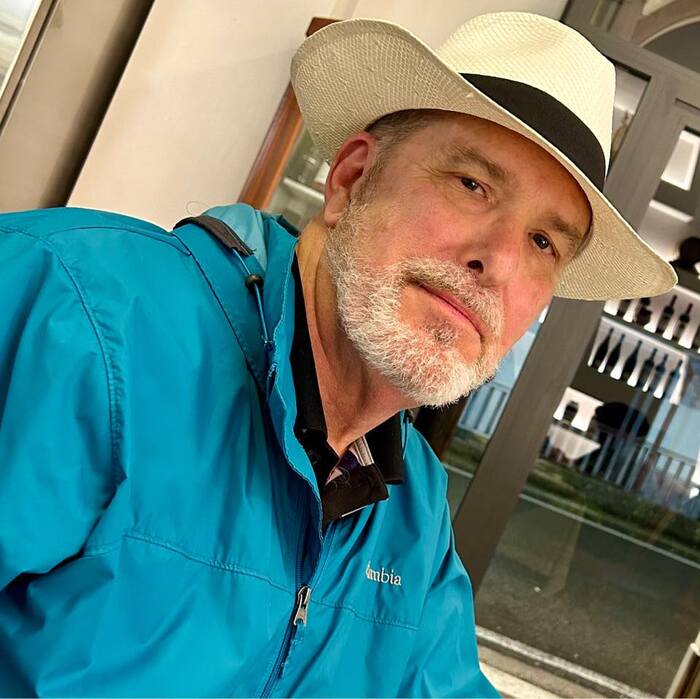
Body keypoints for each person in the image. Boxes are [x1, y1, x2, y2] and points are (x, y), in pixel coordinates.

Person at [0, 12, 676, 698]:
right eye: (472, 184)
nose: (498, 262)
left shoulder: (413, 513)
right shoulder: (70, 313)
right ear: (352, 178)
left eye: (543, 243)